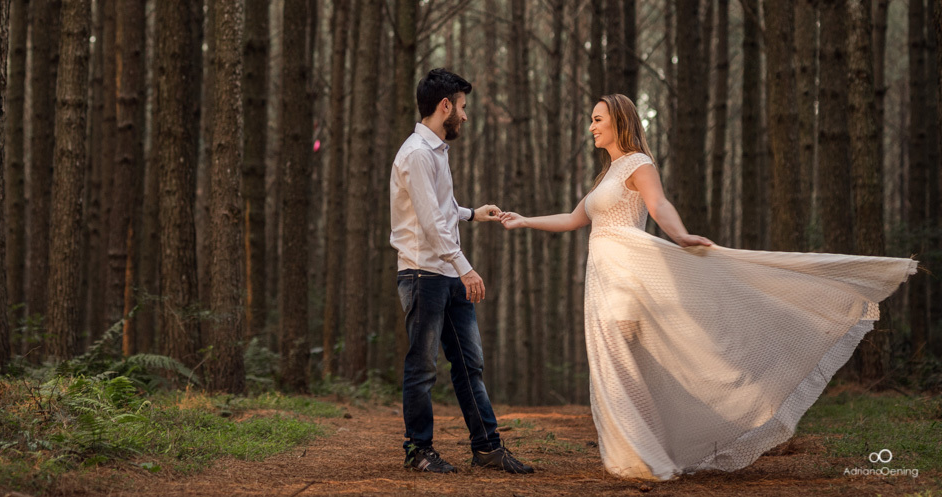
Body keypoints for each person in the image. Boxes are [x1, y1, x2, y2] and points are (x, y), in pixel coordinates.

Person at [497, 93, 918, 481]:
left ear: (619, 122)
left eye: (597, 119)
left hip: (630, 275)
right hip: (601, 278)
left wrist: (679, 236)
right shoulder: (607, 172)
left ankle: (654, 453)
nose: (591, 126)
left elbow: (659, 204)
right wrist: (524, 220)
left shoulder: (639, 164)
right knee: (612, 362)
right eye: (592, 120)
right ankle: (640, 454)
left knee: (622, 358)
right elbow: (575, 219)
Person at [390, 68, 533, 474]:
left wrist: (473, 214)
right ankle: (418, 450)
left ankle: (487, 448)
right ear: (445, 106)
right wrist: (467, 270)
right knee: (423, 368)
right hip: (423, 275)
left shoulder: (434, 151)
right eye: (463, 107)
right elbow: (431, 225)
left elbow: (440, 210)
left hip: (446, 273)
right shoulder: (417, 153)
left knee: (469, 365)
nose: (465, 117)